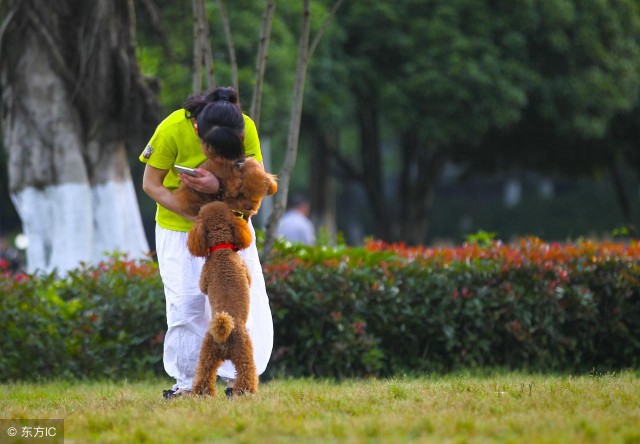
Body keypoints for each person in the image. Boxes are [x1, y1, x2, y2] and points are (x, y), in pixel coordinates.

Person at [139, 86, 273, 399]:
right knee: (185, 304)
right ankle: (188, 385)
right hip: (178, 228)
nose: (215, 158)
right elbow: (150, 184)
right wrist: (189, 212)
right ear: (198, 129)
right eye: (211, 151)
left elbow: (257, 189)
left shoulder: (246, 127)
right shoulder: (172, 129)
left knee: (243, 302)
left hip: (233, 228)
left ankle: (239, 382)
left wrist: (218, 185)